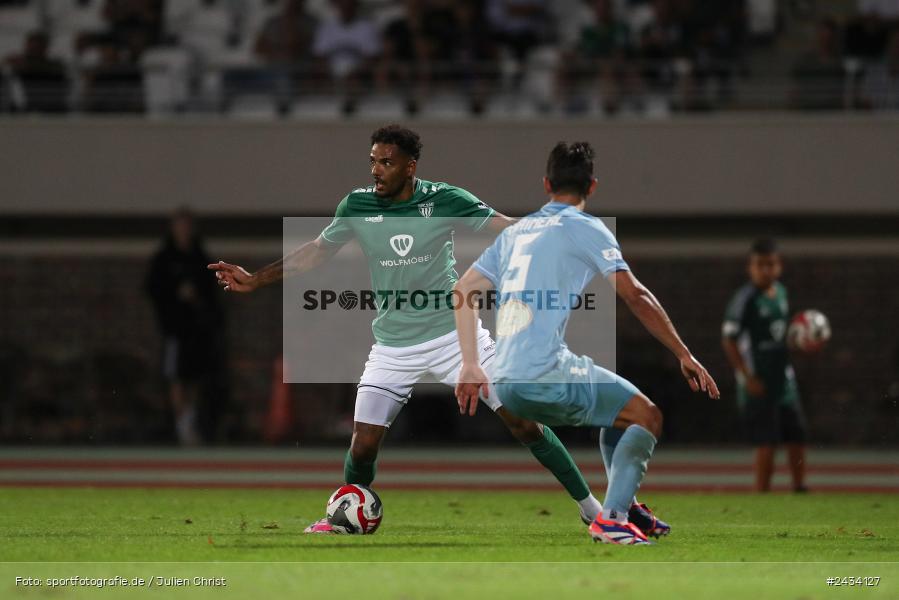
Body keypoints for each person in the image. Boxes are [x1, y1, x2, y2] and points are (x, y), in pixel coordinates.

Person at [209, 124, 605, 534]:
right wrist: (255, 278)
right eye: (373, 162)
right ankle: (343, 514)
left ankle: (592, 508)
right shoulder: (357, 206)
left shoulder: (444, 199)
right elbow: (316, 252)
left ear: (410, 167)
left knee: (524, 421)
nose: (376, 170)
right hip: (393, 346)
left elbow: (505, 227)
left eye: (387, 162)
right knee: (363, 443)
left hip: (454, 337)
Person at [453, 141, 719, 545]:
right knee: (647, 417)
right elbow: (636, 295)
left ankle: (624, 506)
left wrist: (471, 364)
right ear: (592, 186)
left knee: (619, 414)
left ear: (546, 184)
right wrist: (684, 353)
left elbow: (463, 290)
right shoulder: (586, 227)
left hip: (503, 382)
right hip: (544, 371)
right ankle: (611, 520)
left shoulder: (515, 233)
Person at [722, 238, 809, 493]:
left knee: (797, 434)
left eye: (770, 264)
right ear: (751, 267)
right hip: (757, 381)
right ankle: (762, 492)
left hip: (783, 379)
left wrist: (800, 342)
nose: (766, 270)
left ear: (779, 266)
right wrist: (747, 376)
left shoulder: (781, 293)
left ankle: (800, 486)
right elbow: (729, 339)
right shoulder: (745, 299)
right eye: (760, 265)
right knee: (767, 441)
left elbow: (779, 335)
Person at [146, 208, 226, 445]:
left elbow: (212, 292)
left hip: (198, 330)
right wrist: (176, 293)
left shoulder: (200, 257)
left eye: (187, 226)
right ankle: (182, 426)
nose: (184, 231)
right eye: (180, 226)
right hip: (175, 330)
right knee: (176, 377)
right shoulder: (164, 259)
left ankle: (191, 421)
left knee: (196, 378)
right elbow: (153, 289)